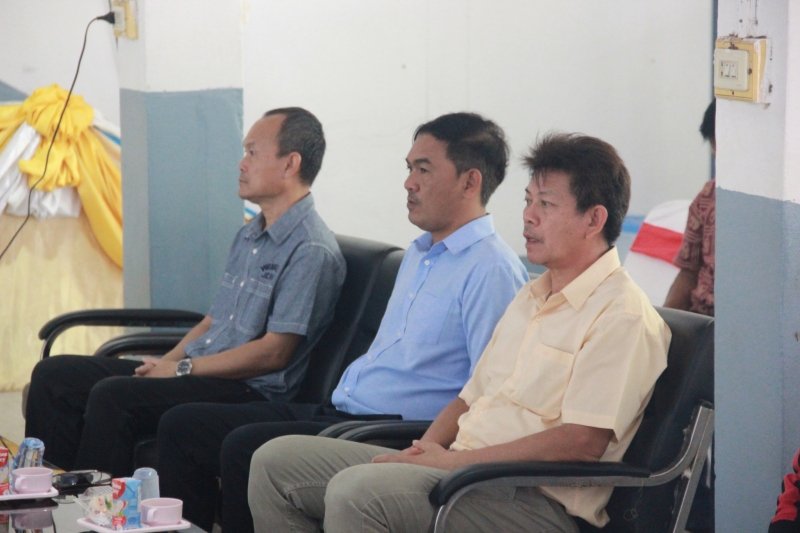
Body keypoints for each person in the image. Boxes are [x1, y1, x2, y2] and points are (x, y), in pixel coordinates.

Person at [247, 132, 671, 533]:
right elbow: (470, 397)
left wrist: (454, 465)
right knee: (274, 461)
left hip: (532, 499)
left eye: (546, 203)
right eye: (528, 200)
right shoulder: (532, 295)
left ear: (594, 219)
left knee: (357, 492)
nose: (528, 215)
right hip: (464, 472)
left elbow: (582, 442)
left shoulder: (621, 315)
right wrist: (421, 453)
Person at [156, 112, 529, 532]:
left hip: (393, 430)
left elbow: (486, 395)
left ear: (469, 182)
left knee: (245, 448)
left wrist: (427, 448)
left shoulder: (491, 270)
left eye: (423, 170)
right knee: (185, 425)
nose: (409, 183)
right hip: (343, 411)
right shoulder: (420, 253)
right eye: (409, 168)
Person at [24, 107, 346, 478]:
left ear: (291, 164)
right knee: (54, 376)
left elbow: (273, 353)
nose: (241, 164)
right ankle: (42, 495)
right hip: (200, 371)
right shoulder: (251, 234)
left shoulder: (310, 249)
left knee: (113, 396)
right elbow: (213, 321)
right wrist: (164, 364)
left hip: (247, 389)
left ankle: (94, 505)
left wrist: (180, 369)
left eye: (252, 152)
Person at [664, 99, 716, 316]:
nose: (715, 152)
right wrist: (663, 325)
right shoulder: (707, 197)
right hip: (703, 319)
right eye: (713, 144)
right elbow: (689, 272)